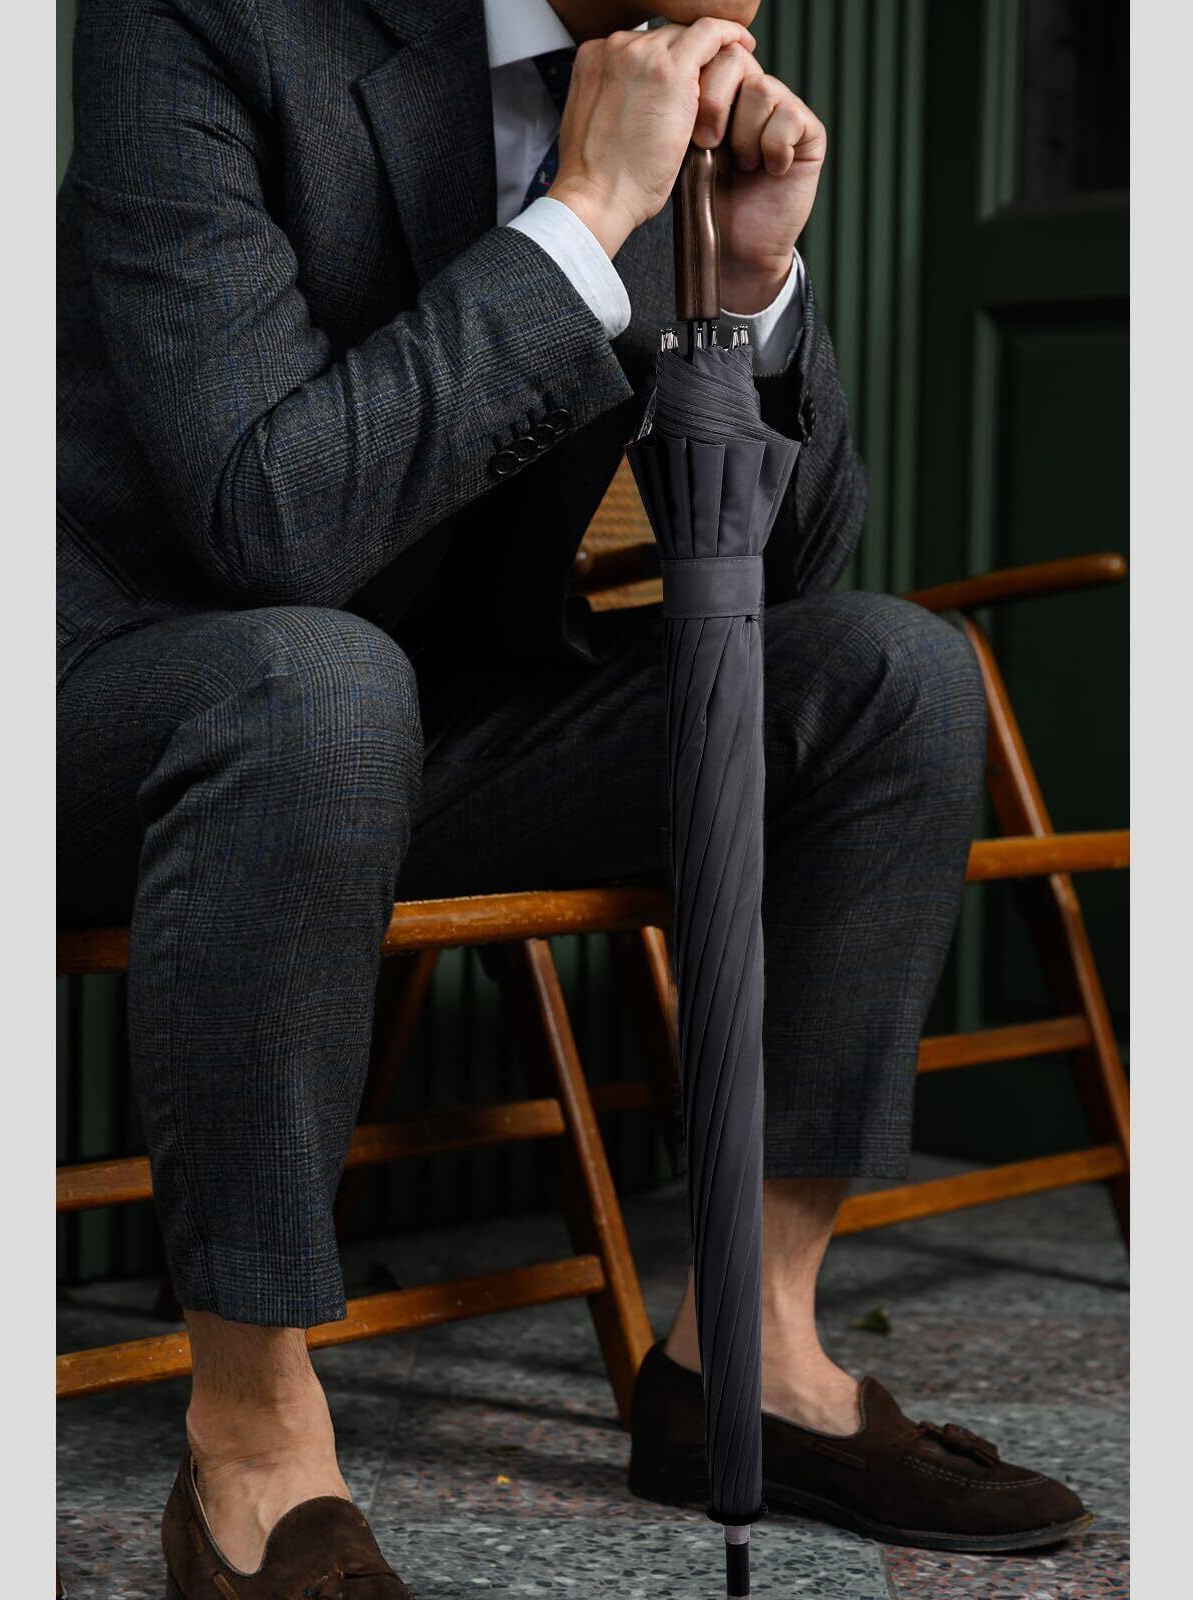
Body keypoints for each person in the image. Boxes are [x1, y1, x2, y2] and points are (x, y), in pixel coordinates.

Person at [57, 0, 1089, 1590]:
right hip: (129, 697)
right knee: (317, 682)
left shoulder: (670, 77)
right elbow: (269, 524)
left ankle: (753, 1352)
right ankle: (251, 1441)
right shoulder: (203, 24)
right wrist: (584, 216)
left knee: (887, 679)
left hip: (434, 728)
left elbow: (791, 576)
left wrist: (746, 286)